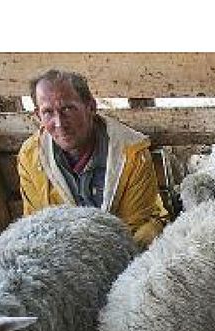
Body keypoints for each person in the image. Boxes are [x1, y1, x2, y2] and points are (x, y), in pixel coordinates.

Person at [18, 68, 168, 250]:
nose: (59, 123)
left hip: (121, 248)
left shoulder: (131, 152)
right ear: (37, 116)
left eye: (67, 109)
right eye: (48, 112)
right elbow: (35, 223)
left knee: (148, 234)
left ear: (91, 107)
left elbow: (134, 223)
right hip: (64, 252)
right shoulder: (31, 157)